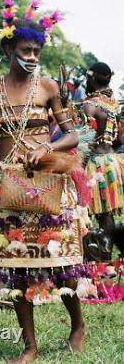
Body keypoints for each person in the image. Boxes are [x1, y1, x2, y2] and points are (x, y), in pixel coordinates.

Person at [0, 0, 87, 363]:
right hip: (7, 188)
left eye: (36, 50)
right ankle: (29, 346)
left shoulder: (47, 87)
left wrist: (47, 147)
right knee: (14, 268)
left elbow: (73, 134)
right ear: (7, 48)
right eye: (25, 50)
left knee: (62, 263)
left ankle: (77, 324)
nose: (32, 56)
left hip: (46, 184)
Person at [81, 62, 124, 258]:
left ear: (91, 78)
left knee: (101, 212)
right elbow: (118, 139)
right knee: (107, 213)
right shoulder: (113, 104)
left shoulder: (89, 105)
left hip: (97, 163)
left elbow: (83, 140)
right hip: (113, 161)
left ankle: (102, 252)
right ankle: (104, 249)